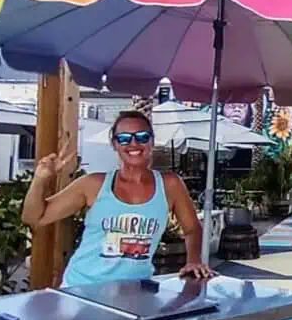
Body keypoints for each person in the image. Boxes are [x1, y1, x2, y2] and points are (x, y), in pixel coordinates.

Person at [22, 110, 213, 287]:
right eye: (123, 138)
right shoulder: (93, 184)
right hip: (82, 288)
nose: (133, 144)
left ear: (152, 142)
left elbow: (192, 228)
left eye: (142, 137)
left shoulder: (170, 184)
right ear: (114, 144)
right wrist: (40, 179)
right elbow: (34, 218)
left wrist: (193, 260)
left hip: (135, 291)